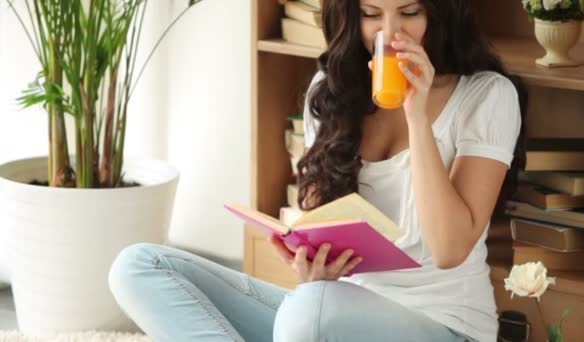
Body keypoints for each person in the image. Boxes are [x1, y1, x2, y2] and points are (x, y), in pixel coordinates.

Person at [108, 0, 526, 341]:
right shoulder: (331, 91)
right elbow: (325, 221)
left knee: (309, 312)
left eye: (410, 13)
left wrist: (417, 118)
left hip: (444, 326)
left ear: (439, 12)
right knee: (138, 266)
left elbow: (449, 249)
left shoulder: (486, 96)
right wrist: (310, 263)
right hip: (333, 315)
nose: (391, 33)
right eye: (371, 14)